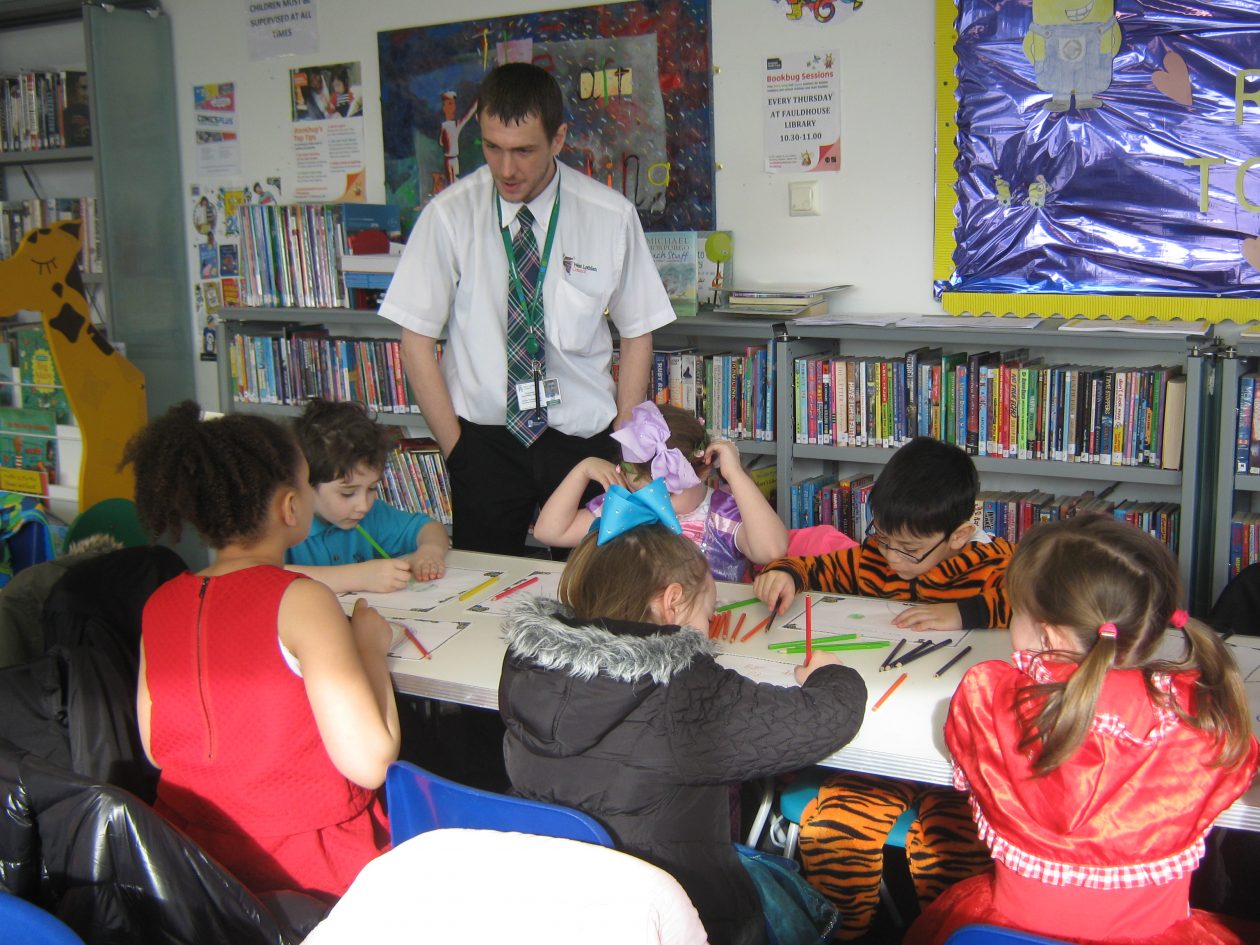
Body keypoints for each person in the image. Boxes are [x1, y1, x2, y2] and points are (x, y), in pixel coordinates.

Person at [499, 485, 869, 945]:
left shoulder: (525, 666)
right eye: (706, 617)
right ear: (671, 601)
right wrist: (832, 674)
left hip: (561, 906)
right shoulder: (683, 690)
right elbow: (827, 719)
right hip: (678, 914)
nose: (708, 633)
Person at [906, 515, 1260, 945]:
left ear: (1049, 636)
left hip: (1003, 934)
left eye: (1016, 610)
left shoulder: (989, 697)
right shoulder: (1201, 714)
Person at [379, 61, 675, 558]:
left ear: (558, 139)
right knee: (481, 582)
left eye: (523, 151)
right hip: (485, 441)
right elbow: (415, 342)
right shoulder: (449, 216)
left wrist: (625, 445)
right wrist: (458, 451)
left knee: (596, 582)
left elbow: (638, 330)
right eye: (492, 147)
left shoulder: (609, 215)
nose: (506, 169)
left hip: (582, 438)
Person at [128, 402, 399, 901]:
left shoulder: (159, 603)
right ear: (290, 507)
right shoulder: (302, 600)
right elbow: (371, 762)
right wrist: (370, 652)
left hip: (189, 866)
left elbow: (155, 747)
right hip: (310, 871)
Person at [752, 435, 1011, 939]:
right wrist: (783, 573)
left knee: (957, 849)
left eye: (908, 549)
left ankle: (946, 934)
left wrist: (965, 612)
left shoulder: (995, 566)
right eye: (884, 537)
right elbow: (812, 568)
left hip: (959, 765)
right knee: (836, 830)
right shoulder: (872, 559)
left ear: (960, 535)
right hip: (881, 745)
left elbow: (1048, 602)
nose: (891, 556)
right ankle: (843, 932)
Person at [532, 400, 787, 580]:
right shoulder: (624, 507)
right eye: (639, 491)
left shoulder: (720, 515)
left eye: (668, 494)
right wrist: (582, 470)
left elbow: (771, 550)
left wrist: (736, 475)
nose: (653, 503)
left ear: (703, 471)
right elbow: (549, 532)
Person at [286, 398, 449, 594]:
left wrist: (430, 551)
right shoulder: (283, 525)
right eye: (347, 493)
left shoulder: (371, 516)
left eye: (372, 488)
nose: (363, 505)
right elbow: (264, 575)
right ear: (304, 484)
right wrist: (358, 577)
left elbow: (429, 528)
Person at [438, 89, 477, 186]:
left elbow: (441, 142)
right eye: (450, 104)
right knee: (451, 183)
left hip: (453, 158)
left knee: (455, 181)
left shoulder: (453, 125)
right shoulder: (446, 126)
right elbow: (441, 142)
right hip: (449, 159)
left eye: (453, 104)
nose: (453, 107)